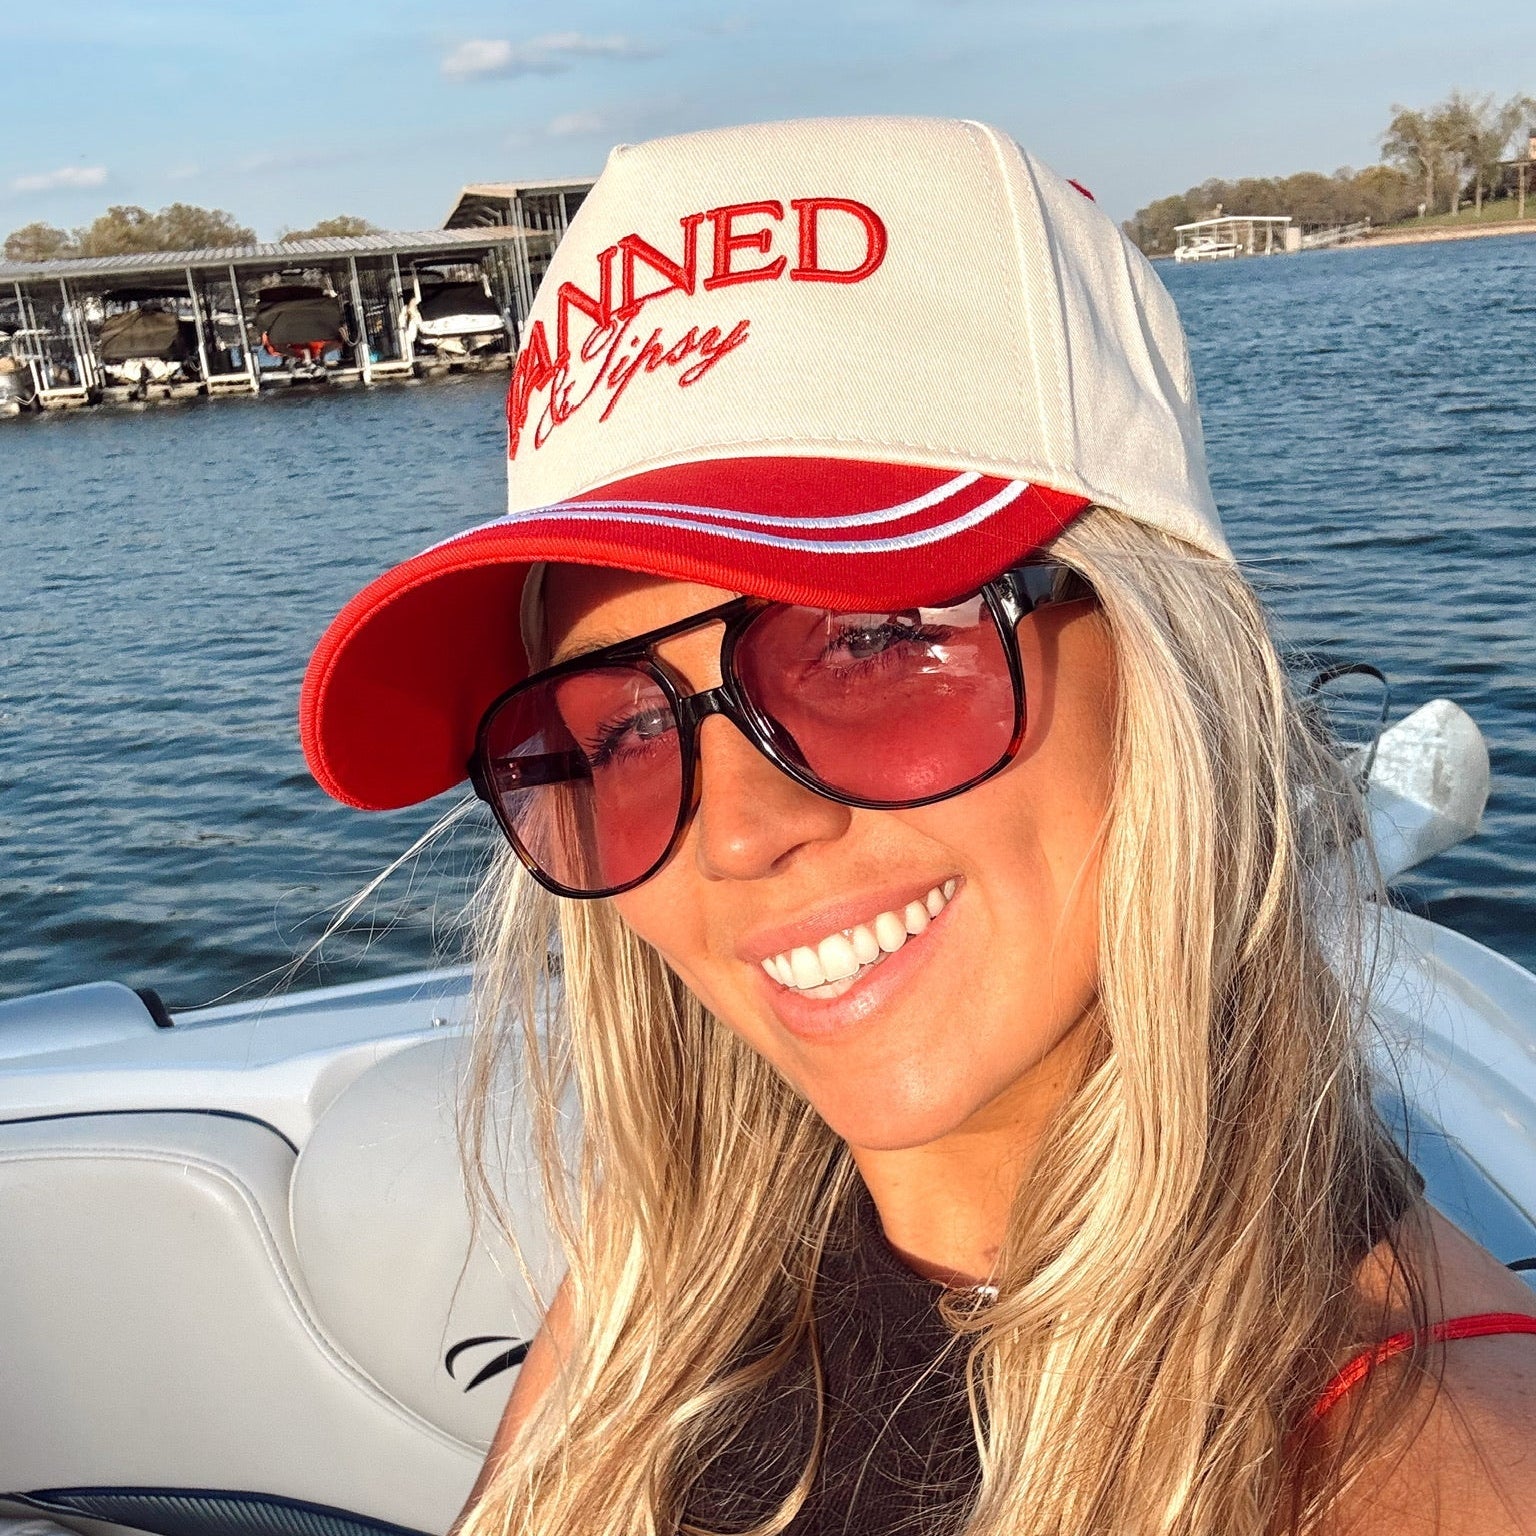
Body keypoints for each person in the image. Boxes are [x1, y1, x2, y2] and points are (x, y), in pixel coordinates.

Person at [299, 118, 1536, 1536]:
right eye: (619, 730)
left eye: (877, 640)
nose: (738, 832)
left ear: (1166, 656)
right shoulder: (672, 1281)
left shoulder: (1425, 1466)